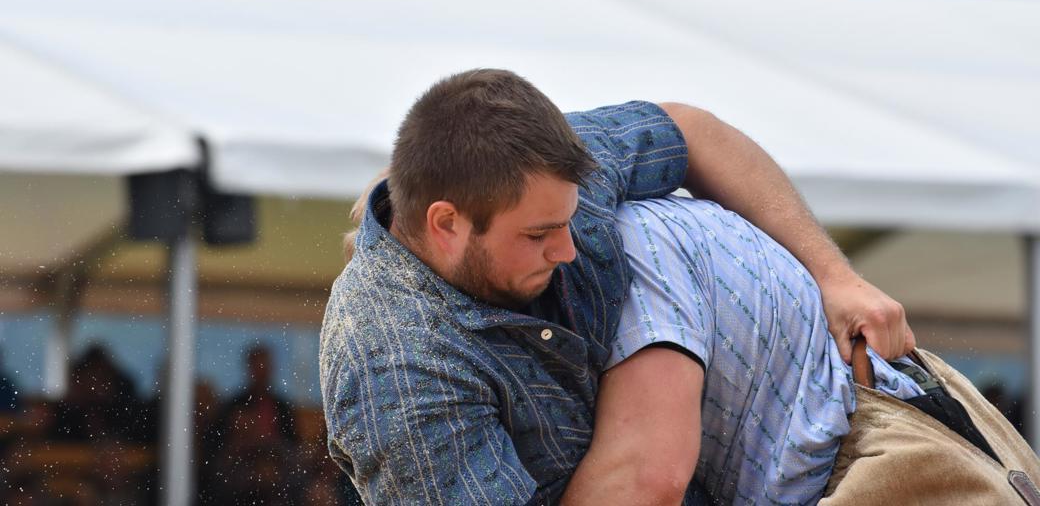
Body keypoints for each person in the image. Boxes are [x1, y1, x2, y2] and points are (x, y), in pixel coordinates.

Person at [319, 68, 913, 504]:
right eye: (539, 235)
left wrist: (835, 277)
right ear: (445, 224)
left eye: (569, 220)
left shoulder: (528, 170)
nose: (568, 248)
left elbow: (690, 130)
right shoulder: (395, 369)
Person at [560, 195, 1040, 505]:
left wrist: (836, 275)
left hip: (885, 449)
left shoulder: (632, 247)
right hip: (900, 439)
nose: (555, 250)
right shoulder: (646, 225)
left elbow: (647, 481)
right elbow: (690, 127)